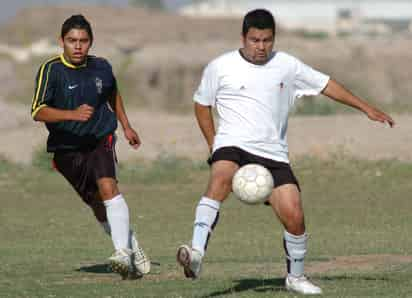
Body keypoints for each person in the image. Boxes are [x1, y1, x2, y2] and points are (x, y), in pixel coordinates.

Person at [176, 9, 395, 295]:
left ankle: (296, 277)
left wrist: (367, 108)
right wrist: (214, 144)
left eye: (267, 40)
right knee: (221, 176)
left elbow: (326, 85)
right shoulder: (221, 66)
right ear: (243, 37)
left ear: (273, 39)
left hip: (272, 153)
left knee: (294, 214)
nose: (261, 46)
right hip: (233, 144)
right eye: (254, 40)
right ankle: (196, 253)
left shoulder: (287, 66)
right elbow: (201, 104)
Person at [31, 14, 150, 279]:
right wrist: (71, 114)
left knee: (108, 186)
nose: (77, 46)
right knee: (96, 203)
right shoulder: (50, 70)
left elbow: (112, 93)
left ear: (91, 42)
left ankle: (122, 253)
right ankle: (130, 241)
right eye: (72, 40)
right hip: (66, 149)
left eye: (83, 41)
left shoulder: (102, 67)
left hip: (100, 137)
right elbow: (38, 111)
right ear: (61, 41)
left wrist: (127, 126)